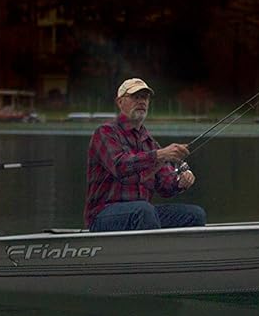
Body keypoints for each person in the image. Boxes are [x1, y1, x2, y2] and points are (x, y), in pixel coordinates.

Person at [85, 77, 207, 231]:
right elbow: (120, 166)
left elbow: (165, 186)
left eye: (145, 97)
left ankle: (177, 254)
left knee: (195, 214)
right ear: (120, 102)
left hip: (142, 214)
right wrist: (159, 155)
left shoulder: (150, 143)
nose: (141, 101)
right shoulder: (105, 133)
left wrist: (180, 182)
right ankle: (151, 253)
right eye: (135, 97)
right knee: (144, 211)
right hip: (103, 215)